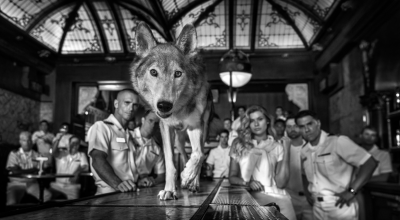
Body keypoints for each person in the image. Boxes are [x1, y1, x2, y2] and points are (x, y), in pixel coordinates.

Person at [296, 110, 377, 220]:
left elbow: (369, 163)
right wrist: (307, 193)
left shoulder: (337, 142)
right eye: (301, 126)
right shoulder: (304, 150)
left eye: (310, 124)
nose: (306, 130)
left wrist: (351, 191)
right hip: (317, 207)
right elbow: (304, 174)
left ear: (318, 124)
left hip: (340, 205)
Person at [229, 105, 296, 220]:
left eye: (260, 119)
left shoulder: (277, 146)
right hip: (250, 200)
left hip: (279, 200)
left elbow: (281, 183)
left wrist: (287, 150)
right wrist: (247, 183)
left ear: (268, 121)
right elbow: (232, 177)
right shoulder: (239, 144)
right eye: (252, 121)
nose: (256, 124)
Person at [88, 89, 140, 194]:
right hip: (109, 193)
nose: (131, 108)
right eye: (127, 103)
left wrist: (139, 180)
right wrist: (118, 184)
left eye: (135, 105)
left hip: (130, 192)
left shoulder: (129, 134)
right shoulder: (102, 127)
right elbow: (97, 160)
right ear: (116, 103)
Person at [6, 131, 51, 205]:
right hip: (16, 183)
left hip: (31, 183)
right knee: (11, 203)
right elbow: (15, 172)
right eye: (24, 140)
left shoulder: (36, 154)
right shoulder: (14, 154)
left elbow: (45, 167)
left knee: (47, 196)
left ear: (31, 141)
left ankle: (40, 215)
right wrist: (34, 169)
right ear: (20, 141)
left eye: (29, 140)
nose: (27, 142)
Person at [285, 116, 313, 220]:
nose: (292, 129)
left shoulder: (311, 147)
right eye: (289, 126)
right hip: (289, 197)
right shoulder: (281, 149)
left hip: (310, 198)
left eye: (295, 126)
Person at [132, 110, 165, 188]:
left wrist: (152, 181)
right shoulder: (129, 136)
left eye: (156, 123)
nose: (153, 125)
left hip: (144, 186)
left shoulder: (157, 148)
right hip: (126, 182)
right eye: (150, 120)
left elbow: (162, 175)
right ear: (143, 120)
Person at [50, 134, 88, 200]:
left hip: (72, 186)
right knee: (49, 203)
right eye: (72, 142)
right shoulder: (61, 153)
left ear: (79, 145)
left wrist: (78, 171)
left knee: (74, 206)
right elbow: (53, 152)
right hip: (57, 185)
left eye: (77, 143)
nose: (74, 145)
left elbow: (85, 167)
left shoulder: (81, 155)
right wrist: (57, 140)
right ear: (68, 143)